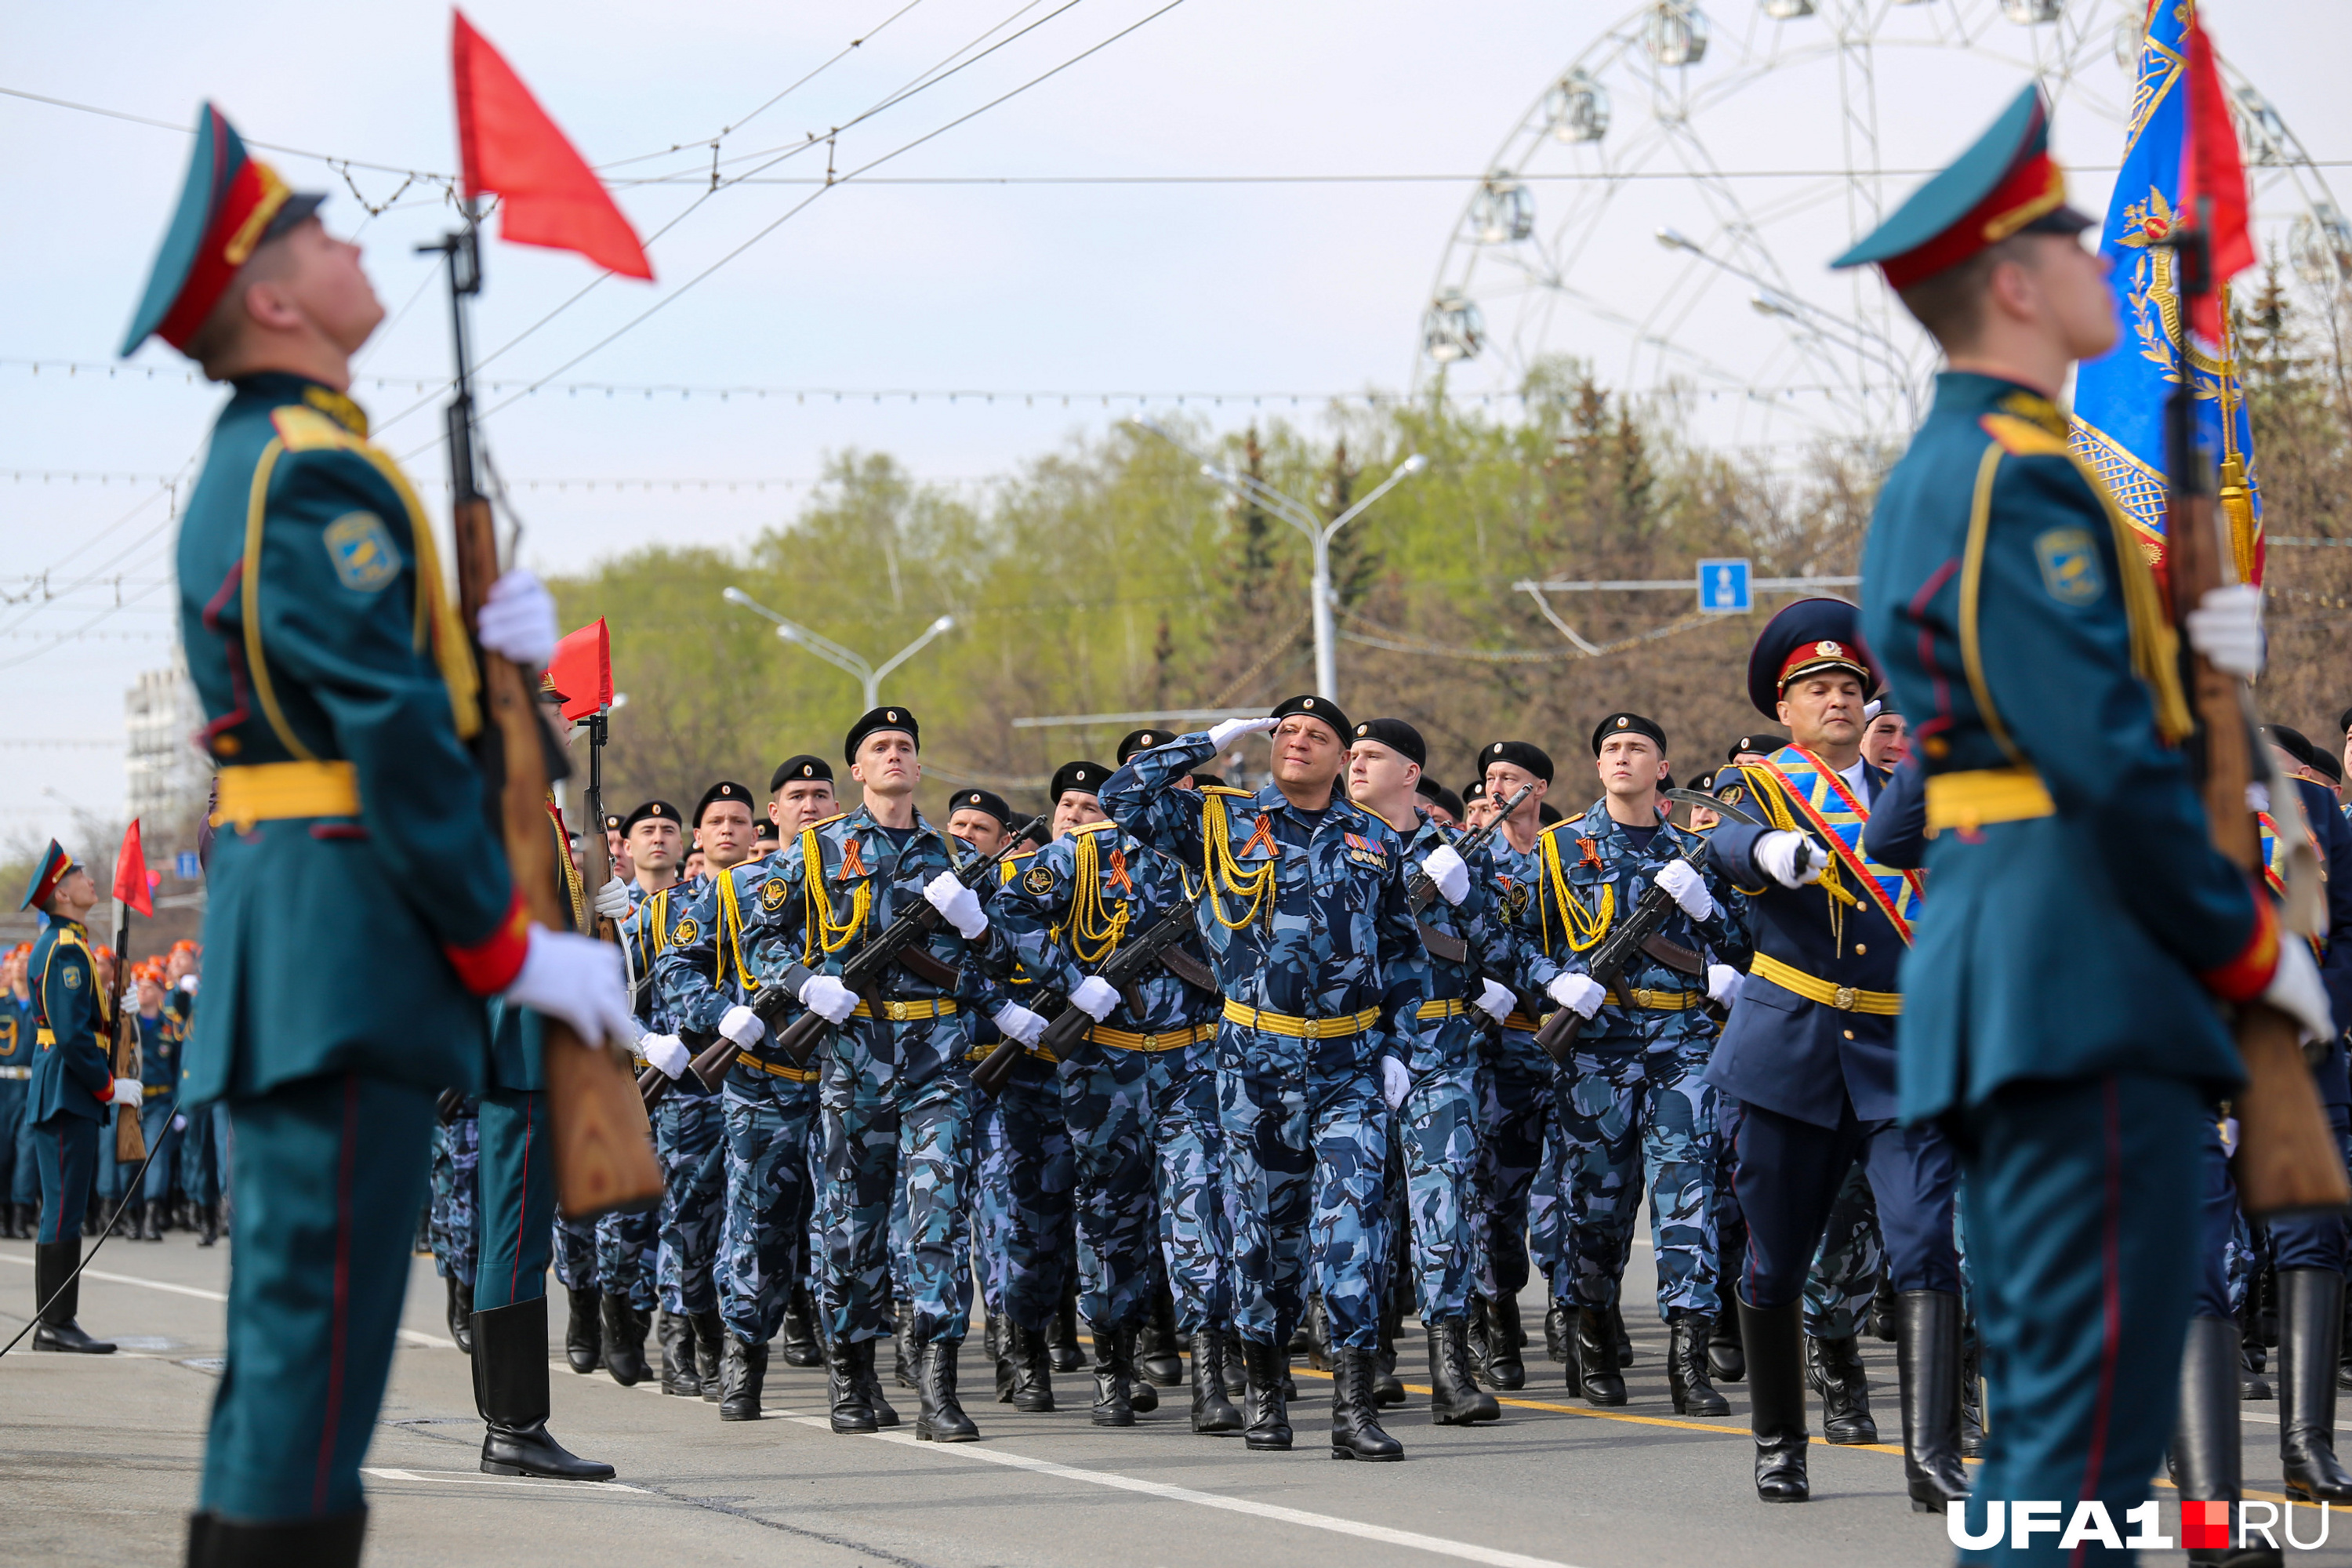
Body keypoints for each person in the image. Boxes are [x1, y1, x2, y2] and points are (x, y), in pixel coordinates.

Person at [125, 107, 633, 1562]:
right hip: (345, 944)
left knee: (305, 1353)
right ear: (273, 301)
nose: (352, 238)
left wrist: (491, 662)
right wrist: (511, 948)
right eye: (312, 231)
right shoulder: (311, 469)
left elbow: (390, 694)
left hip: (327, 938)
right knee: (314, 1356)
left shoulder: (293, 459)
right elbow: (388, 738)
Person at [1843, 83, 2335, 1549]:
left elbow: (2077, 711)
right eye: (2073, 241)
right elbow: (2097, 760)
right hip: (2071, 960)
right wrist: (2248, 950)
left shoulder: (2008, 468)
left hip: (2061, 956)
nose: (2101, 265)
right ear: (2013, 281)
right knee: (2080, 1409)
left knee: (2099, 1417)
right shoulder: (2009, 478)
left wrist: (2196, 662)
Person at [1102, 695, 1424, 1460]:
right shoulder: (1221, 823)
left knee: (1353, 1231)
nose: (1299, 742)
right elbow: (1123, 796)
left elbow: (1405, 953)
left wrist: (1401, 1047)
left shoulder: (1376, 839)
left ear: (1345, 757)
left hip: (1349, 1063)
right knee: (1264, 1240)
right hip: (1256, 1065)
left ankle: (1351, 1408)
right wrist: (1207, 741)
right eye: (1287, 732)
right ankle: (1268, 1390)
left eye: (1318, 734)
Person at [1702, 599, 1962, 1510]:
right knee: (1776, 1259)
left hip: (1905, 1054)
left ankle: (1931, 1454)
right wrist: (1764, 850)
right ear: (1786, 708)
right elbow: (1718, 844)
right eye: (1816, 687)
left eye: (1849, 685)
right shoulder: (1758, 786)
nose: (1837, 699)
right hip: (1791, 1054)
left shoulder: (1909, 791)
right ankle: (1780, 1442)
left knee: (1928, 1243)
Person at [740, 707, 1023, 1443]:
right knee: (850, 1225)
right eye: (879, 748)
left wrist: (975, 928)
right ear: (857, 773)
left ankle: (936, 1383)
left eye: (905, 747)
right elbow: (757, 933)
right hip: (855, 1056)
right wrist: (806, 984)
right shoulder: (817, 850)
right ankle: (852, 1373)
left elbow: (990, 962)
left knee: (938, 1218)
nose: (894, 756)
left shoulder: (953, 855)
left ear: (920, 768)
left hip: (938, 1058)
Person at [997, 754, 1239, 1432]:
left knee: (1203, 1214)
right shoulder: (1083, 855)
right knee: (1109, 1222)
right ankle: (1113, 1367)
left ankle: (1211, 1377)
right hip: (1106, 1071)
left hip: (1194, 1065)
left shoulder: (1216, 855)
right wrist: (1071, 979)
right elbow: (1007, 909)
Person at [1344, 717, 1555, 1425]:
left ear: (1411, 774)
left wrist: (1464, 898)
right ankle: (1366, 1355)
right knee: (1365, 1206)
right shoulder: (1324, 841)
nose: (1355, 764)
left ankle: (1451, 1368)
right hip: (1355, 1046)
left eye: (1371, 755)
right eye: (1352, 754)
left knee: (1445, 1204)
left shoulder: (1458, 852)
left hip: (1440, 1046)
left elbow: (1502, 942)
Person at [1539, 714, 1750, 1417]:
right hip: (1596, 1048)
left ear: (1663, 769)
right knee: (1597, 1206)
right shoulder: (1557, 848)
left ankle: (1688, 1363)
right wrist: (1555, 981)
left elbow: (1743, 940)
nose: (1622, 757)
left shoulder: (1698, 850)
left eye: (1637, 748)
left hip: (1682, 1042)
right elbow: (1508, 936)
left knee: (1686, 1197)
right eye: (1610, 749)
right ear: (1598, 768)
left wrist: (1712, 923)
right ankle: (1593, 1336)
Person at [953, 786, 1079, 1417]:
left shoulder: (1039, 888)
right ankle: (1015, 1349)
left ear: (1008, 841)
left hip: (1044, 1075)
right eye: (960, 823)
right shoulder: (939, 892)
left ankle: (1032, 1340)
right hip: (970, 1077)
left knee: (1040, 1219)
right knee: (995, 1219)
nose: (968, 833)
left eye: (982, 826)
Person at [645, 781, 764, 1400]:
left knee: (745, 1219)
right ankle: (680, 1335)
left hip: (760, 1078)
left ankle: (728, 1341)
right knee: (690, 1216)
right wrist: (645, 1043)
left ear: (753, 832)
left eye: (738, 821)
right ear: (699, 837)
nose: (726, 830)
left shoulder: (774, 897)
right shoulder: (663, 910)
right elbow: (629, 994)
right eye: (715, 821)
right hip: (690, 1082)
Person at [20, 844, 136, 1353]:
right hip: (68, 1090)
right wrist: (109, 1087)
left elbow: (80, 1020)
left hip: (65, 1088)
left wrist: (116, 1011)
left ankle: (57, 1321)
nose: (92, 881)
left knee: (64, 1207)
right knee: (63, 1207)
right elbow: (70, 1034)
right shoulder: (64, 948)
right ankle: (55, 1324)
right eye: (82, 876)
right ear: (61, 893)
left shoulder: (68, 942)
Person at [1468, 739, 1557, 1390]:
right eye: (1491, 777)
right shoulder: (1468, 861)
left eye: (1513, 777)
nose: (1499, 787)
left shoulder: (1568, 856)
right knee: (1498, 1196)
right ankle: (1498, 1317)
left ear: (1541, 789)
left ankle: (1584, 1314)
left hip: (1574, 1046)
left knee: (1580, 1191)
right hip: (1498, 1048)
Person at [0, 944, 33, 1240]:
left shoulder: (42, 1004)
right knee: (3, 1152)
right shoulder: (1, 1004)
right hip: (3, 1086)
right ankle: (3, 1213)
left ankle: (21, 1215)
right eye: (18, 961)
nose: (21, 967)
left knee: (27, 1153)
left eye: (27, 961)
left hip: (31, 1085)